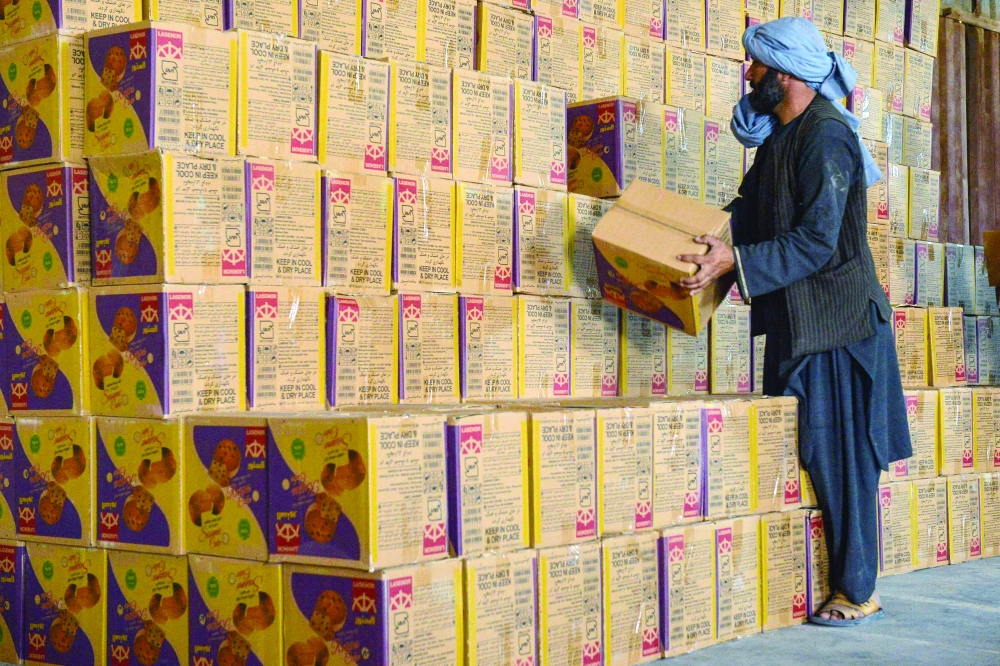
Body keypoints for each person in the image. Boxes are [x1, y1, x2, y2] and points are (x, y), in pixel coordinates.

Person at [677, 17, 912, 626]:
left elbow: (815, 239)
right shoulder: (783, 137)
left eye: (756, 66)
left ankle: (858, 589)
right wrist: (704, 241)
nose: (748, 75)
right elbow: (751, 211)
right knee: (800, 452)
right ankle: (812, 580)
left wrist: (738, 260)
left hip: (838, 326)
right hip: (796, 323)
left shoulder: (827, 136)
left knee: (841, 458)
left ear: (786, 75)